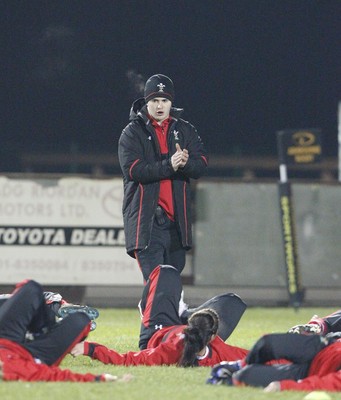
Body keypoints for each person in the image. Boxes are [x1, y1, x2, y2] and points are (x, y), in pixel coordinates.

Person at [118, 74, 208, 282]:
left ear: (171, 102)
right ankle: (152, 315)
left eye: (165, 100)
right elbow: (134, 170)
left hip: (177, 222)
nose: (160, 105)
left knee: (172, 286)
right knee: (157, 283)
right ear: (146, 102)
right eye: (155, 100)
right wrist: (170, 165)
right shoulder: (132, 133)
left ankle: (157, 313)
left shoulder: (185, 129)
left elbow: (201, 163)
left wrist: (186, 163)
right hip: (148, 222)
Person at [71, 265, 248, 366]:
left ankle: (155, 307)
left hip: (160, 328)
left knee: (166, 271)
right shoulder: (220, 351)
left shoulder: (168, 351)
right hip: (186, 326)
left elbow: (126, 360)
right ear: (213, 337)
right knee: (233, 302)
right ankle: (181, 312)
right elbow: (257, 355)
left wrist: (89, 348)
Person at [0, 279, 128, 382]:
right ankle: (53, 312)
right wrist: (100, 378)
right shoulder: (15, 370)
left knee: (31, 288)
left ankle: (52, 309)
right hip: (37, 353)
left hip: (5, 337)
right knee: (82, 321)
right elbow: (56, 376)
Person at [207, 332, 341, 392]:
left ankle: (234, 376)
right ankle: (241, 364)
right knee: (268, 343)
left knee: (246, 376)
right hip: (323, 346)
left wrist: (285, 386)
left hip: (311, 372)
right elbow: (330, 320)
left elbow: (332, 383)